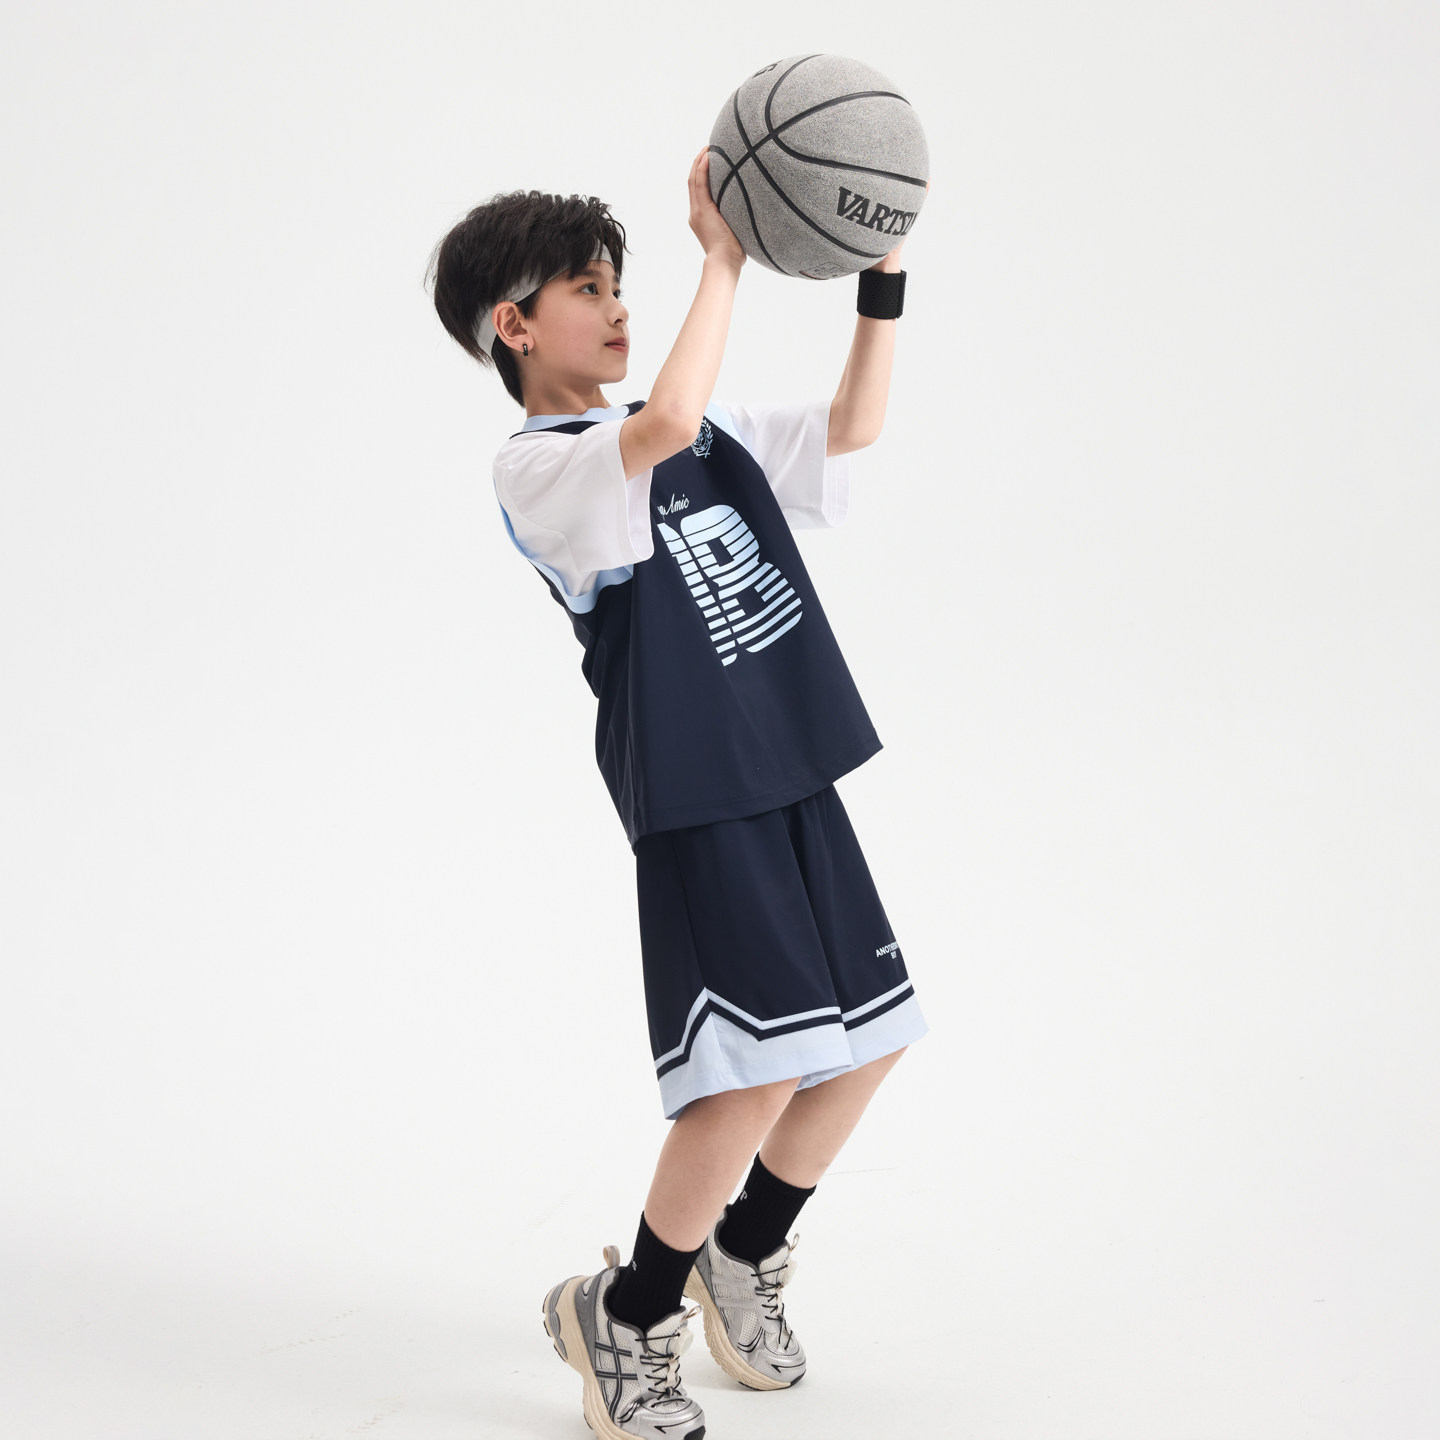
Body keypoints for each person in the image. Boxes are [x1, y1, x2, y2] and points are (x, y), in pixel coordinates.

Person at [428, 147, 929, 1440]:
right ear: (514, 325)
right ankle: (629, 1314)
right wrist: (726, 259)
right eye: (588, 289)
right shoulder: (541, 468)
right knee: (750, 1076)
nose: (618, 309)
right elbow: (651, 433)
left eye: (620, 284)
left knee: (869, 1040)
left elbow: (852, 428)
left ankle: (740, 1251)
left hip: (789, 763)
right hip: (701, 789)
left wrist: (879, 277)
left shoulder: (698, 423)